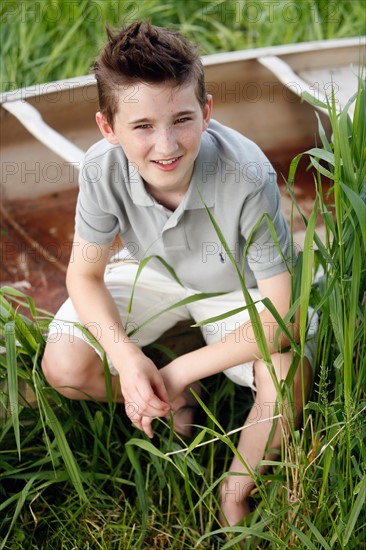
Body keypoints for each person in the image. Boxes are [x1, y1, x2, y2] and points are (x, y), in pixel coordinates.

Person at [42, 20, 317, 526]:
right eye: (142, 126)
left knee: (286, 373)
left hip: (238, 285)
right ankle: (180, 397)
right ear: (108, 128)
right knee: (64, 366)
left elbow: (285, 312)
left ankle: (236, 488)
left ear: (207, 112)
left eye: (182, 120)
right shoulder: (102, 168)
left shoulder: (246, 174)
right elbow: (84, 276)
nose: (166, 145)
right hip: (153, 269)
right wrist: (125, 358)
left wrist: (179, 370)